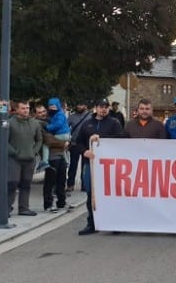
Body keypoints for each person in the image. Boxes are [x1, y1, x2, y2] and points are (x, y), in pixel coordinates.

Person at [75, 99, 125, 235]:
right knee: (91, 194)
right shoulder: (87, 124)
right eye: (101, 107)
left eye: (106, 107)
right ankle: (91, 223)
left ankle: (114, 223)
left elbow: (120, 139)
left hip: (109, 166)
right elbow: (78, 143)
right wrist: (85, 151)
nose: (104, 109)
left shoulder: (114, 123)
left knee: (111, 194)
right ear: (95, 108)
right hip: (90, 164)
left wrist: (101, 137)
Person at [6, 101, 43, 216]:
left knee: (26, 183)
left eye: (27, 108)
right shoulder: (9, 123)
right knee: (12, 182)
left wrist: (34, 151)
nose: (26, 110)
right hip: (14, 158)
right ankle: (6, 208)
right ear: (16, 109)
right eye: (23, 108)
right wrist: (14, 152)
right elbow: (4, 141)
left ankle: (23, 207)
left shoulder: (35, 123)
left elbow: (39, 140)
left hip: (29, 158)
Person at [35, 104, 70, 213]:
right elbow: (48, 140)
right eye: (39, 112)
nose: (42, 114)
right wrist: (64, 143)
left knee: (61, 180)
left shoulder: (51, 120)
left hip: (59, 154)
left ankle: (61, 203)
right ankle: (48, 205)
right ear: (35, 114)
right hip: (50, 156)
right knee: (50, 181)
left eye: (43, 111)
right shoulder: (38, 124)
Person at [37, 98, 70, 173]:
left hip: (62, 135)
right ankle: (66, 160)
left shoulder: (58, 115)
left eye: (54, 107)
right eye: (50, 107)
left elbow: (58, 125)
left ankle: (44, 161)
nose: (52, 109)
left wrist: (48, 127)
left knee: (45, 145)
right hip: (62, 138)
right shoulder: (55, 115)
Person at [66, 100, 92, 193]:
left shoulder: (90, 116)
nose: (79, 107)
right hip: (74, 143)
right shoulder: (72, 117)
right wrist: (66, 140)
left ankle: (84, 185)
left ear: (85, 105)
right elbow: (66, 129)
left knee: (85, 165)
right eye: (78, 104)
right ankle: (70, 184)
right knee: (73, 165)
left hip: (86, 144)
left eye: (81, 105)